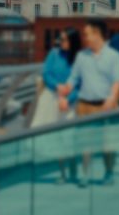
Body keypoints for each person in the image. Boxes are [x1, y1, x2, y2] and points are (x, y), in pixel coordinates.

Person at [58, 19, 119, 187]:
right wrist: (66, 88)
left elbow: (117, 81)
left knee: (107, 144)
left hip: (105, 106)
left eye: (87, 34)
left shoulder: (114, 56)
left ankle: (109, 172)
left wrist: (111, 98)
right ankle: (85, 174)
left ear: (97, 34)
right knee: (85, 142)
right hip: (85, 105)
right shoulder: (81, 56)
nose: (85, 37)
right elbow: (73, 77)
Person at [33, 27, 82, 184]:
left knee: (69, 137)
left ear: (72, 42)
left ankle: (74, 170)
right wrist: (57, 87)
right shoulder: (54, 54)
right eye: (60, 39)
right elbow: (46, 74)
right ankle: (62, 173)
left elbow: (81, 82)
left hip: (70, 101)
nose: (61, 42)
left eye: (64, 39)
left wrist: (69, 99)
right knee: (57, 137)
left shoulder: (79, 59)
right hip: (53, 98)